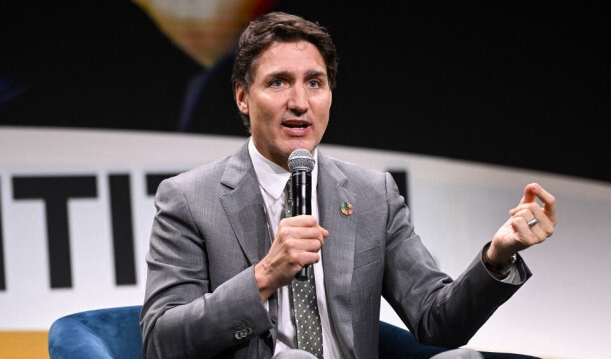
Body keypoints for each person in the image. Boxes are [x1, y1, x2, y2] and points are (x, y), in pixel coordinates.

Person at [139, 11, 556, 359]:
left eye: (314, 83)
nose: (300, 102)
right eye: (279, 82)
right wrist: (264, 275)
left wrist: (498, 256)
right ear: (243, 98)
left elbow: (438, 321)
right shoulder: (191, 199)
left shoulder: (372, 193)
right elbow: (161, 339)